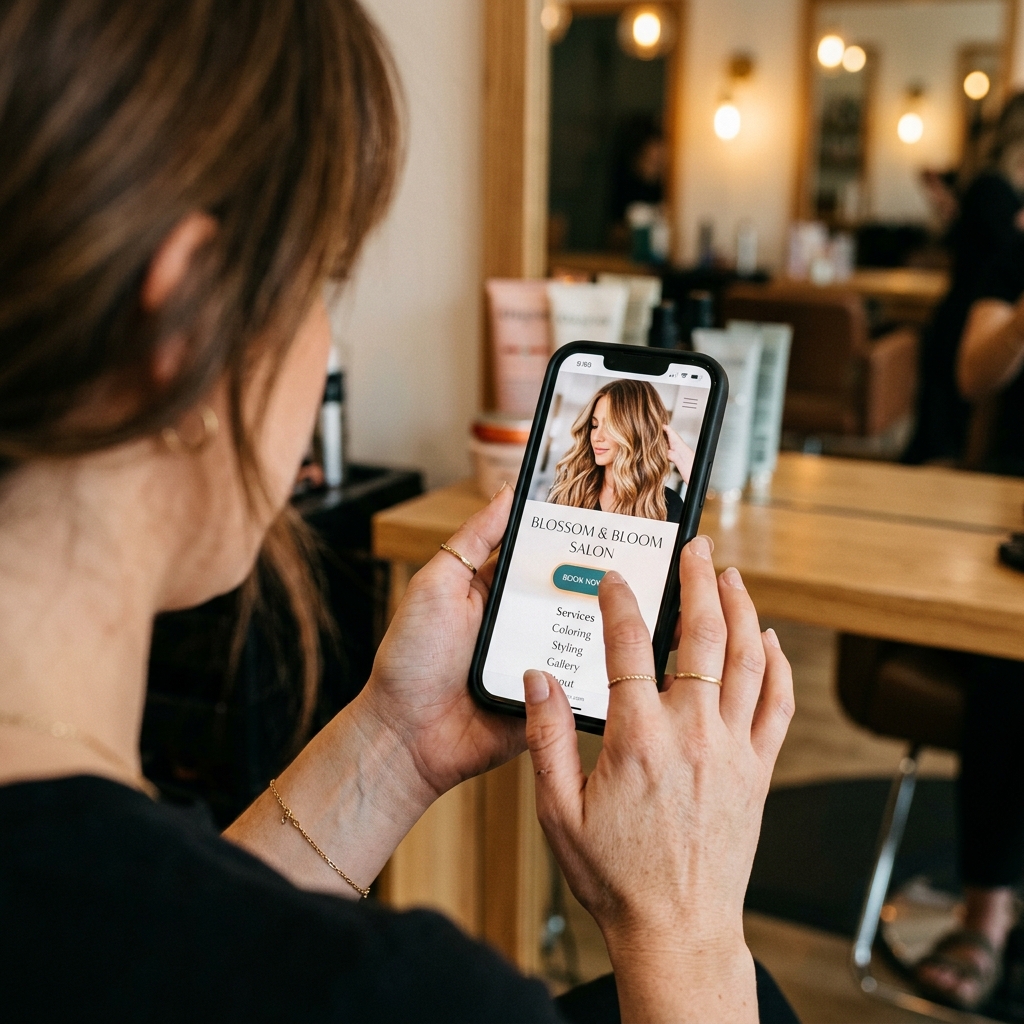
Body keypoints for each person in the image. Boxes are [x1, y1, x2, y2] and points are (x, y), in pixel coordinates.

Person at [0, 3, 800, 1023]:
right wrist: (685, 931)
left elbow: (142, 945)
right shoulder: (409, 998)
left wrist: (393, 743)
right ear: (188, 316)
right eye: (319, 282)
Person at [908, 228, 1024, 1011]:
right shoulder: (1012, 250)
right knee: (1011, 652)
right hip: (1007, 510)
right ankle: (989, 904)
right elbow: (975, 372)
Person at [903, 92, 1024, 466]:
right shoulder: (992, 187)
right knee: (941, 436)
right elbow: (996, 245)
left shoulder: (997, 188)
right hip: (966, 316)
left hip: (980, 307)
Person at [547, 380, 694, 523]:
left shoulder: (668, 505)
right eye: (594, 425)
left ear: (637, 432)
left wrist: (684, 458)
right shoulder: (569, 490)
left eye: (610, 427)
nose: (597, 437)